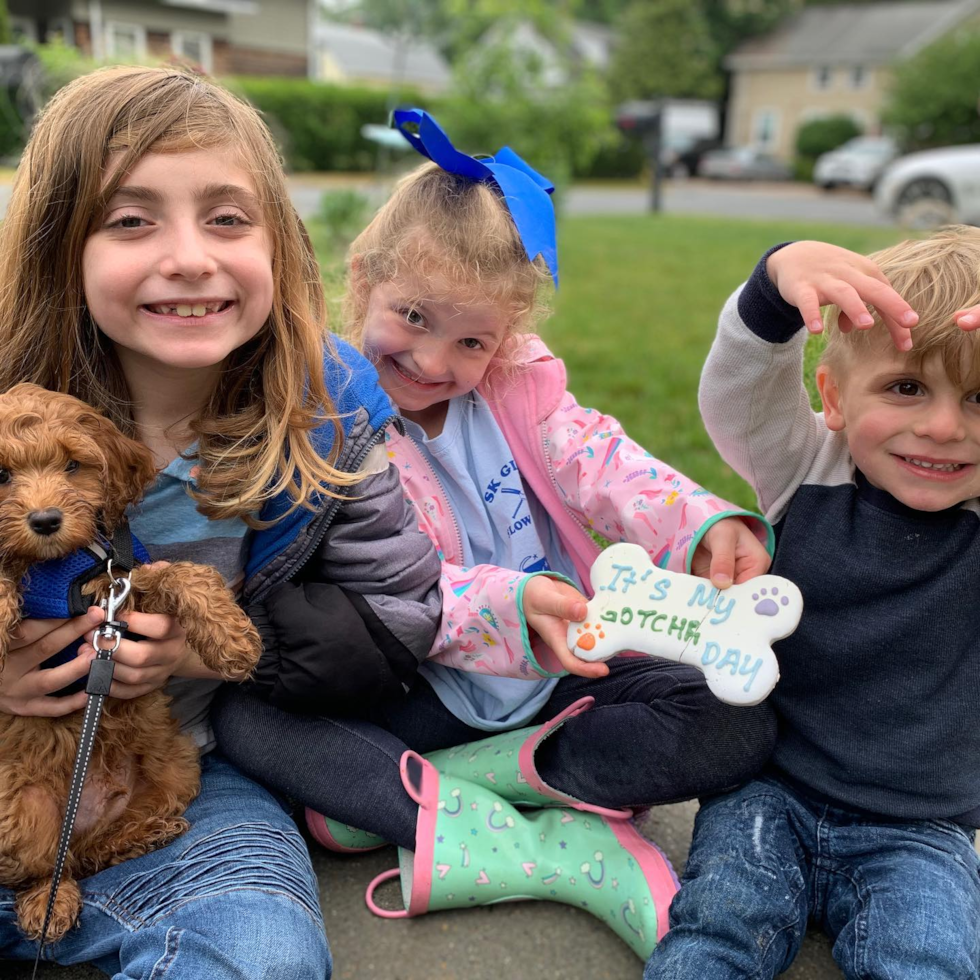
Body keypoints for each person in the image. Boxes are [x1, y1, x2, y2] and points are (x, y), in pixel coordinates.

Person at [212, 110, 778, 956]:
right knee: (248, 723)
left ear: (506, 337)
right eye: (412, 317)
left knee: (739, 716)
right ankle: (544, 837)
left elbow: (603, 460)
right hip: (419, 683)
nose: (435, 361)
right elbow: (390, 587)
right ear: (363, 281)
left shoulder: (518, 389)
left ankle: (453, 798)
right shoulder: (328, 411)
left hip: (558, 670)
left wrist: (696, 526)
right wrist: (508, 607)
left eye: (471, 338)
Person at [0, 66, 441, 978]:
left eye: (229, 217)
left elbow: (400, 615)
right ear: (56, 247)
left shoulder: (332, 408)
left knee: (263, 955)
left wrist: (196, 653)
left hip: (174, 775)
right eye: (130, 219)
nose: (192, 256)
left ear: (280, 244)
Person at [645, 226, 980, 980]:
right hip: (767, 793)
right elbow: (741, 398)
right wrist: (771, 290)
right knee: (715, 935)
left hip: (920, 830)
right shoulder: (806, 469)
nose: (944, 426)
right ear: (832, 397)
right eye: (906, 387)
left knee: (927, 959)